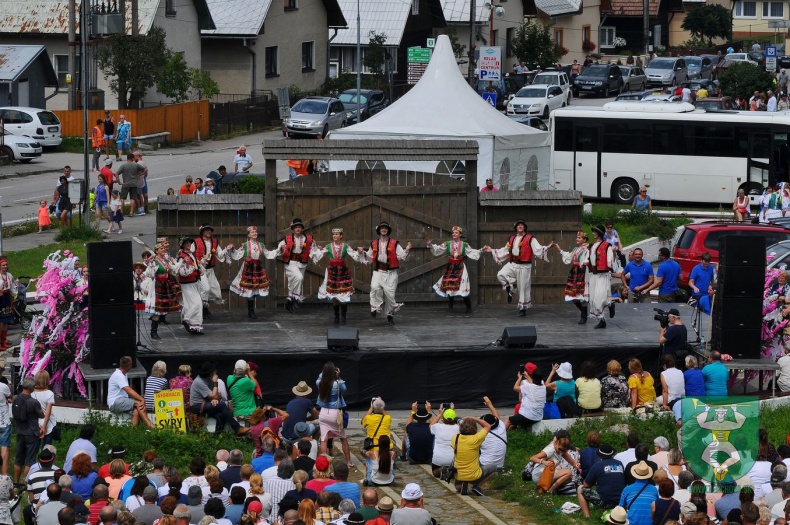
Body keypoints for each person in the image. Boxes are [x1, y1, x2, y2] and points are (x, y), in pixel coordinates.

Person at [485, 219, 552, 317]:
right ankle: (510, 288)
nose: (520, 226)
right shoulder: (512, 238)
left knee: (523, 288)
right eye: (518, 225)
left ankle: (523, 308)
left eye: (522, 225)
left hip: (524, 266)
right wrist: (492, 250)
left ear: (524, 227)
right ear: (516, 227)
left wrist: (547, 247)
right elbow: (505, 250)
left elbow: (538, 249)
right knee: (501, 274)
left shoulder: (530, 238)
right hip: (513, 264)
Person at [356, 222, 412, 325]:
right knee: (374, 287)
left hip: (391, 273)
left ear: (388, 230)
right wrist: (362, 252)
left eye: (385, 228)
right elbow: (369, 257)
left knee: (390, 295)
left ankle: (390, 317)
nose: (384, 229)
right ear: (379, 230)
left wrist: (407, 249)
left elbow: (401, 256)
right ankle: (375, 306)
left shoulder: (394, 243)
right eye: (382, 228)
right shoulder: (374, 243)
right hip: (378, 272)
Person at [427, 226, 482, 314]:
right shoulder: (447, 243)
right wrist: (430, 245)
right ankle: (451, 301)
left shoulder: (464, 244)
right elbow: (438, 249)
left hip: (460, 267)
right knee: (449, 285)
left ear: (460, 234)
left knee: (463, 286)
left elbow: (472, 252)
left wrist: (481, 250)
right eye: (453, 233)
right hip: (451, 267)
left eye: (456, 233)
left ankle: (468, 307)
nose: (454, 234)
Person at [316, 227, 364, 325]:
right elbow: (319, 254)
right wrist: (317, 249)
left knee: (343, 293)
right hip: (332, 272)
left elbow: (354, 255)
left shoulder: (346, 246)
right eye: (333, 234)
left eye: (337, 234)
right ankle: (336, 316)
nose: (334, 236)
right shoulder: (329, 246)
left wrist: (359, 252)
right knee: (334, 295)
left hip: (342, 272)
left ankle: (343, 316)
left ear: (341, 236)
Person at [273, 218, 322, 313]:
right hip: (291, 263)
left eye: (299, 227)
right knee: (299, 277)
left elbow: (313, 249)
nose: (298, 229)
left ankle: (289, 302)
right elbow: (280, 249)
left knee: (293, 282)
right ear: (293, 229)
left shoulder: (307, 238)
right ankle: (296, 298)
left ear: (302, 228)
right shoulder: (287, 238)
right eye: (296, 227)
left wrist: (317, 248)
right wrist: (282, 249)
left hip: (302, 263)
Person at [227, 226, 275, 319]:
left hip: (257, 268)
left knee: (256, 288)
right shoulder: (245, 245)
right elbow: (237, 254)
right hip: (248, 268)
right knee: (249, 288)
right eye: (252, 232)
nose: (255, 233)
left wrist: (279, 250)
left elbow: (268, 254)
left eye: (255, 232)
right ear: (249, 235)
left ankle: (251, 311)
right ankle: (251, 311)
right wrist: (232, 249)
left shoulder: (261, 245)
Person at [190, 362, 249, 437]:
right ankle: (237, 428)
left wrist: (213, 398)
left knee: (220, 415)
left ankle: (217, 436)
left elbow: (217, 396)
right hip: (197, 406)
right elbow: (214, 395)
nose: (215, 372)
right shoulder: (199, 382)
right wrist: (215, 382)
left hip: (206, 403)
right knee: (222, 405)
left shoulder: (208, 379)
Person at [315, 362, 352, 467]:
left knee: (324, 439)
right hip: (335, 413)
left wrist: (324, 372)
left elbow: (319, 378)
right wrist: (338, 376)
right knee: (343, 438)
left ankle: (323, 463)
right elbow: (344, 389)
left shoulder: (319, 383)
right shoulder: (337, 384)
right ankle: (349, 462)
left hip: (323, 412)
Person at [144, 241, 181, 340]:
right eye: (161, 249)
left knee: (161, 309)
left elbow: (173, 269)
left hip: (165, 284)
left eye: (164, 249)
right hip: (158, 285)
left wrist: (180, 262)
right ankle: (153, 332)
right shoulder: (155, 261)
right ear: (156, 251)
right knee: (157, 309)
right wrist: (150, 263)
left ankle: (155, 330)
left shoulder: (165, 260)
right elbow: (149, 274)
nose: (164, 250)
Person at [576, 444, 625, 518]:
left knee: (580, 489)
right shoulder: (619, 464)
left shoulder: (597, 465)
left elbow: (586, 484)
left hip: (605, 501)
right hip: (620, 501)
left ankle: (587, 516)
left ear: (599, 455)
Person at [107, 356, 155, 428]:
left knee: (136, 411)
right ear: (129, 365)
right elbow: (128, 390)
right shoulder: (118, 375)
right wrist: (142, 399)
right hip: (115, 402)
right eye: (131, 364)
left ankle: (132, 430)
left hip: (121, 400)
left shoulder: (123, 374)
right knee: (138, 403)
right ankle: (150, 425)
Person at [13, 377, 44, 483]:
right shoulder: (33, 402)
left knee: (18, 459)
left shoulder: (15, 398)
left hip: (19, 431)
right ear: (31, 388)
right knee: (30, 460)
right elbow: (42, 415)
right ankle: (26, 484)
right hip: (32, 433)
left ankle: (16, 483)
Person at [555, 231, 590, 324]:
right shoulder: (576, 249)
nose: (577, 239)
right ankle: (584, 313)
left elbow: (587, 260)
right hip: (574, 273)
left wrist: (583, 263)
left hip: (582, 273)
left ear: (584, 240)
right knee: (573, 296)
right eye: (577, 237)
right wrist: (560, 250)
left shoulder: (587, 249)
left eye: (579, 238)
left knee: (582, 296)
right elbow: (569, 257)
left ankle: (583, 316)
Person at [193, 225, 226, 318]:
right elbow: (190, 254)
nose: (209, 232)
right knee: (205, 289)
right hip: (200, 270)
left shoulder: (214, 242)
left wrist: (226, 249)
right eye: (207, 230)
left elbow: (220, 254)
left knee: (214, 288)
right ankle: (202, 310)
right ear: (202, 232)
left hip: (210, 269)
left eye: (210, 230)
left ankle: (205, 309)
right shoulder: (196, 241)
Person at [587, 225, 617, 329]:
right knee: (594, 298)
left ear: (599, 233)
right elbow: (590, 258)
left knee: (600, 298)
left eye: (595, 232)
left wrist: (613, 253)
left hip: (603, 275)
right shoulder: (592, 245)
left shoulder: (607, 245)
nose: (593, 233)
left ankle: (610, 304)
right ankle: (602, 320)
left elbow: (611, 261)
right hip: (594, 275)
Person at [175, 236, 205, 335]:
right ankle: (186, 319)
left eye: (189, 243)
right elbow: (181, 272)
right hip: (187, 284)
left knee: (191, 304)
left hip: (194, 282)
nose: (188, 244)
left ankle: (194, 326)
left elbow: (195, 266)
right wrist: (188, 265)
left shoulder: (191, 254)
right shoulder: (182, 257)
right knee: (197, 304)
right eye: (186, 243)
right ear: (182, 245)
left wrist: (198, 269)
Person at [505, 363, 546, 430]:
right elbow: (533, 384)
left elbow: (515, 388)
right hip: (539, 417)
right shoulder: (543, 385)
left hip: (528, 417)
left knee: (508, 420)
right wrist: (528, 376)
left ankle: (501, 435)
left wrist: (519, 378)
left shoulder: (527, 386)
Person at [430, 405, 459, 478]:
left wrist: (439, 414)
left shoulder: (437, 427)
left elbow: (431, 425)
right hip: (453, 460)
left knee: (435, 473)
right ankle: (450, 470)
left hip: (438, 460)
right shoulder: (458, 428)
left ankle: (441, 470)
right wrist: (452, 412)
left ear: (443, 418)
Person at [31, 370, 57, 447]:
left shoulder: (31, 393)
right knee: (46, 447)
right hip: (48, 423)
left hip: (35, 423)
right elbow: (48, 412)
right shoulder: (49, 393)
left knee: (34, 447)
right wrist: (44, 426)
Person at [114, 153, 138, 218]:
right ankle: (131, 212)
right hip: (133, 184)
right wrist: (139, 175)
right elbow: (144, 169)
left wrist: (119, 182)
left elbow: (116, 174)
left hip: (125, 184)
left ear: (127, 158)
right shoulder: (136, 165)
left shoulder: (123, 165)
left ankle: (122, 212)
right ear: (132, 158)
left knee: (122, 198)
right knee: (132, 198)